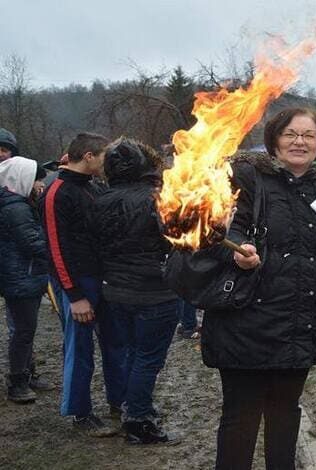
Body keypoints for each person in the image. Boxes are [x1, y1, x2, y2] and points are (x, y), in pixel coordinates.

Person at [201, 107, 316, 470]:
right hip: (247, 318)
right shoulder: (247, 178)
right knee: (241, 414)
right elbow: (226, 227)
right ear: (274, 140)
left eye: (309, 135)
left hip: (301, 317)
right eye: (290, 134)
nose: (300, 142)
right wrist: (238, 252)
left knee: (286, 409)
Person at [89, 137, 179, 444]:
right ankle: (138, 421)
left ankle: (135, 406)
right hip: (154, 292)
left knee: (131, 353)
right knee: (148, 359)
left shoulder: (99, 198)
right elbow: (175, 241)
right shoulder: (156, 199)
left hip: (115, 290)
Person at [40, 132, 126, 437]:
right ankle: (80, 412)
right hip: (78, 283)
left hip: (104, 280)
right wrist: (74, 296)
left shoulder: (93, 186)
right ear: (88, 156)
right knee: (80, 349)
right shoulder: (56, 191)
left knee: (116, 343)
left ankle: (121, 401)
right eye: (103, 156)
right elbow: (55, 249)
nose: (107, 162)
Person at [0, 157, 53, 403]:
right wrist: (55, 241)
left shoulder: (18, 203)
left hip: (24, 275)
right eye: (36, 180)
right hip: (20, 277)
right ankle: (18, 382)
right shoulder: (16, 208)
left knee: (26, 331)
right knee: (23, 331)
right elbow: (32, 243)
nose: (40, 185)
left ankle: (28, 374)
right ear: (22, 179)